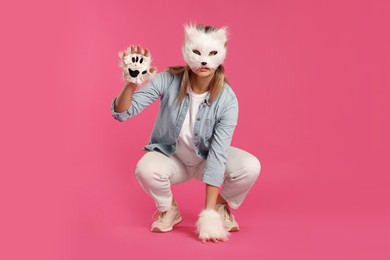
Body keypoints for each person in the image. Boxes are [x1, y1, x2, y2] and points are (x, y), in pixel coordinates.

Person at [111, 24, 261, 243]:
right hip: (173, 158)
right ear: (186, 48)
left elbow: (218, 156)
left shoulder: (228, 100)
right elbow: (122, 113)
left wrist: (208, 215)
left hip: (206, 160)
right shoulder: (167, 79)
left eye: (211, 53)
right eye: (197, 52)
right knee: (146, 168)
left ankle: (220, 206)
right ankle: (169, 209)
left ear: (223, 51)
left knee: (250, 166)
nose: (203, 61)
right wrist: (131, 82)